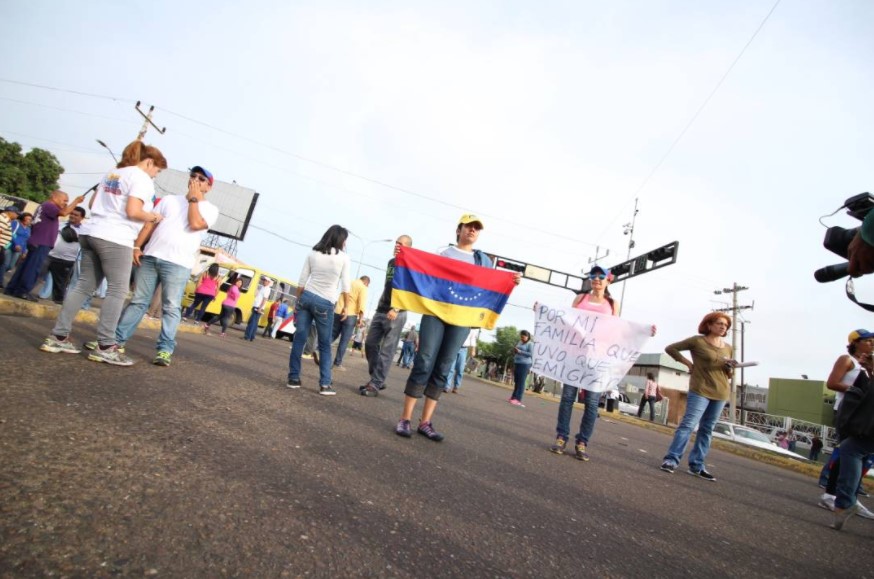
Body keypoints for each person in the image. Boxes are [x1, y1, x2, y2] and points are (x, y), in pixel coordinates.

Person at [395, 213, 520, 441]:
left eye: (476, 228)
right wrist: (403, 256)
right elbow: (422, 274)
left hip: (462, 319)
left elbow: (489, 286)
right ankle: (405, 418)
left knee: (444, 367)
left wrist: (511, 281)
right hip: (435, 314)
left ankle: (425, 422)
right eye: (468, 226)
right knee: (424, 361)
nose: (472, 230)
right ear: (458, 230)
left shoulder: (482, 262)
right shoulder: (442, 253)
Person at [39, 141, 165, 364]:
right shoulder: (141, 178)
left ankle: (57, 336)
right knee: (117, 290)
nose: (155, 175)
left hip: (91, 232)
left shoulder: (113, 173)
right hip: (115, 237)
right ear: (149, 162)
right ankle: (106, 346)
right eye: (156, 170)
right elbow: (133, 211)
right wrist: (153, 217)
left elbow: (94, 201)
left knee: (83, 286)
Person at [109, 165, 219, 366]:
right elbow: (150, 224)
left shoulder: (210, 209)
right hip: (151, 257)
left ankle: (165, 350)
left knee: (171, 307)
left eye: (201, 179)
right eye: (193, 176)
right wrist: (137, 247)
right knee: (138, 302)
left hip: (178, 264)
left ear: (208, 187)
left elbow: (195, 224)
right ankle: (116, 342)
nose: (195, 180)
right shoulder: (169, 200)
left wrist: (194, 198)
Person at [550, 265, 624, 461]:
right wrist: (544, 312)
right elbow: (566, 321)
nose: (597, 279)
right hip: (575, 356)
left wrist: (644, 332)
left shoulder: (612, 304)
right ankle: (561, 437)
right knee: (567, 399)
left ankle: (582, 442)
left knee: (591, 404)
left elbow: (618, 330)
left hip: (598, 360)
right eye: (593, 275)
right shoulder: (580, 299)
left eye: (601, 276)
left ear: (609, 280)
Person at [659, 312, 735, 481]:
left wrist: (730, 366)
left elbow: (729, 374)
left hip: (721, 392)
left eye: (726, 325)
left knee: (707, 429)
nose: (723, 327)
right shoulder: (697, 341)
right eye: (719, 323)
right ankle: (671, 459)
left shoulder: (728, 347)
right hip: (700, 389)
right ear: (709, 325)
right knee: (688, 424)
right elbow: (670, 348)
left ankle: (697, 465)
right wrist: (688, 364)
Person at [286, 225, 352, 396]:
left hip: (306, 297)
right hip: (325, 302)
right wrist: (345, 307)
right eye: (345, 239)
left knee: (299, 339)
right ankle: (325, 384)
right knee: (324, 345)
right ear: (340, 240)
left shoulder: (312, 253)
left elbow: (302, 281)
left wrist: (298, 303)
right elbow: (346, 286)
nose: (345, 243)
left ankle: (293, 378)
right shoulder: (344, 258)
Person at [818, 329, 874, 515]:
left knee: (861, 457)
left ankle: (850, 498)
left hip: (865, 415)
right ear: (855, 342)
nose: (872, 343)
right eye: (868, 340)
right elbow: (832, 383)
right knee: (845, 454)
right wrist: (855, 389)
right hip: (847, 412)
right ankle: (830, 495)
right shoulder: (847, 360)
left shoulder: (870, 365)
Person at [6, 190, 85, 301]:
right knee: (33, 268)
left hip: (37, 241)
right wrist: (76, 201)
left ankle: (12, 288)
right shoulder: (50, 206)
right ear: (54, 197)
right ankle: (22, 291)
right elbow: (64, 213)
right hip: (41, 242)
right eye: (64, 200)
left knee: (26, 266)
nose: (65, 203)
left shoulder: (45, 206)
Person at [359, 235, 412, 396]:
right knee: (370, 344)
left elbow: (410, 290)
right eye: (396, 243)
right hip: (381, 309)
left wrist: (396, 308)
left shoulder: (410, 265)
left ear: (408, 248)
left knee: (387, 351)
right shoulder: (391, 262)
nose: (397, 245)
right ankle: (377, 379)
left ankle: (375, 384)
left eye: (401, 244)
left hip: (396, 312)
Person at [45, 207, 86, 303]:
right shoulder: (60, 224)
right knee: (35, 274)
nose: (72, 216)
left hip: (67, 261)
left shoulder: (84, 231)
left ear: (82, 217)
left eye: (76, 215)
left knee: (60, 284)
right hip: (49, 255)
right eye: (72, 213)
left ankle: (58, 302)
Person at [331, 275, 369, 370]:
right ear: (366, 282)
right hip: (350, 315)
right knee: (344, 340)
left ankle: (318, 350)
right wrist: (360, 319)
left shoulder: (349, 282)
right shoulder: (362, 287)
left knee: (332, 334)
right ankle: (337, 363)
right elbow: (361, 304)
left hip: (338, 311)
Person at [0, 211, 32, 285]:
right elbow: (11, 234)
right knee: (5, 264)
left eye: (30, 219)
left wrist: (24, 251)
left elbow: (26, 240)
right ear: (23, 218)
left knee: (10, 266)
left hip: (18, 250)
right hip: (10, 246)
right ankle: (0, 280)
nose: (29, 221)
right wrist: (16, 244)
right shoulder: (16, 224)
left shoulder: (28, 229)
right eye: (28, 219)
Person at [244, 276, 272, 341]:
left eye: (265, 280)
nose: (264, 281)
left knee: (252, 322)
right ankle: (251, 337)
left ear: (268, 282)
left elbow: (265, 299)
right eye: (264, 280)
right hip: (256, 306)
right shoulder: (263, 287)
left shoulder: (267, 289)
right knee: (255, 323)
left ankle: (247, 336)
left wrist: (260, 308)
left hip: (258, 307)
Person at [509, 330, 533, 406]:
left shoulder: (530, 344)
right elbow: (517, 350)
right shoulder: (520, 342)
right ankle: (513, 397)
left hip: (525, 364)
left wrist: (520, 352)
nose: (522, 338)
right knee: (517, 381)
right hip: (517, 363)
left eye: (523, 337)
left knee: (521, 382)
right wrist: (515, 351)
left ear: (527, 337)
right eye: (521, 336)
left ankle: (518, 399)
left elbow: (531, 354)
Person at [0, 206, 19, 285]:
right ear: (10, 212)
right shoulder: (4, 219)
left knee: (2, 263)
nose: (17, 216)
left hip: (2, 245)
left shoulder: (5, 219)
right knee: (2, 263)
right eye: (16, 214)